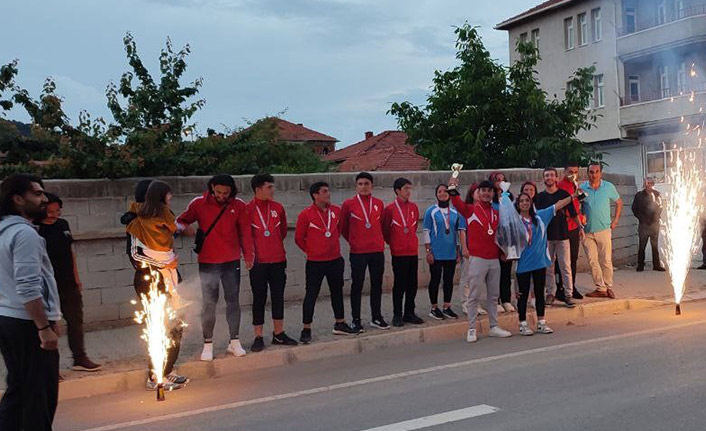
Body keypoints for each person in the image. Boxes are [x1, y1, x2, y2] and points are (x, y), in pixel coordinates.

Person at [0, 174, 60, 431]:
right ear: (17, 199)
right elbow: (28, 286)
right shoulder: (24, 235)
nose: (44, 199)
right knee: (39, 395)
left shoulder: (4, 231)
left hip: (8, 318)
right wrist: (43, 327)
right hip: (27, 324)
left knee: (19, 390)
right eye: (37, 194)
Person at [177, 175, 254, 361]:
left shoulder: (239, 205)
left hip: (231, 261)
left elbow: (245, 232)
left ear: (231, 191)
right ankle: (208, 344)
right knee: (209, 303)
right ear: (212, 188)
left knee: (233, 301)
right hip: (208, 262)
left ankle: (234, 341)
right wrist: (184, 228)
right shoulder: (199, 203)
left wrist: (249, 256)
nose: (221, 196)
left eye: (226, 193)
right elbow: (181, 221)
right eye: (218, 192)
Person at [126, 180, 189, 390]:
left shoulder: (164, 219)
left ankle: (167, 369)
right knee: (158, 328)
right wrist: (162, 263)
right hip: (150, 280)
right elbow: (135, 256)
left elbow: (174, 231)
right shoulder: (137, 223)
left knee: (177, 325)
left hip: (170, 276)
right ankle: (154, 375)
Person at [37, 192, 101, 372]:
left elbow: (70, 252)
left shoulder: (63, 225)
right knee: (49, 325)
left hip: (68, 282)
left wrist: (76, 277)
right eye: (50, 211)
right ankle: (50, 367)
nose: (53, 215)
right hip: (47, 285)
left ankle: (79, 358)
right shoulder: (35, 229)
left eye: (57, 211)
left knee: (75, 321)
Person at [449, 178, 512, 343]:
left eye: (489, 191)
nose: (486, 193)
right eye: (483, 190)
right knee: (474, 296)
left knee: (493, 296)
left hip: (494, 260)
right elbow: (456, 201)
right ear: (478, 193)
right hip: (477, 259)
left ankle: (494, 326)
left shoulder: (496, 212)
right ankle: (471, 328)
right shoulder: (470, 210)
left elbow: (501, 235)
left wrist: (504, 252)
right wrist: (452, 185)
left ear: (493, 194)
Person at [296, 182, 358, 344]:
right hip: (315, 262)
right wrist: (312, 251)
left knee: (337, 292)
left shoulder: (336, 211)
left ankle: (340, 323)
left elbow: (340, 230)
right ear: (315, 195)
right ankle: (306, 328)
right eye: (324, 191)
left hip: (335, 260)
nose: (328, 194)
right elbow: (298, 238)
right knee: (311, 294)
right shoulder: (306, 214)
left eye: (328, 191)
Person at [246, 174, 298, 352]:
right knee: (259, 299)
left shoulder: (278, 208)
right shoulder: (248, 210)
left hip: (277, 260)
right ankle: (258, 335)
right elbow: (244, 237)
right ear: (258, 189)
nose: (273, 190)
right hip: (258, 262)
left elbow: (282, 231)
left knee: (278, 297)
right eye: (269, 187)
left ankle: (279, 333)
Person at [514, 192, 575, 336]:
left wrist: (573, 197)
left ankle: (541, 322)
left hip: (539, 262)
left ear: (531, 202)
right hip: (523, 263)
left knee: (540, 294)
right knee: (522, 295)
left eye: (527, 200)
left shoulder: (540, 216)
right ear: (518, 204)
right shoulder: (514, 221)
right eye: (521, 201)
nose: (524, 203)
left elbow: (558, 205)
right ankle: (522, 323)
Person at [340, 172, 388, 332]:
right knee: (357, 285)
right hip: (358, 252)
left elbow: (381, 224)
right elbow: (344, 228)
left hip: (376, 250)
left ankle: (376, 316)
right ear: (356, 186)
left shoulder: (379, 204)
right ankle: (356, 319)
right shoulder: (348, 204)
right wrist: (354, 241)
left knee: (377, 284)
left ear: (372, 186)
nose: (363, 187)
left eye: (366, 183)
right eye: (360, 184)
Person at [534, 168, 583, 308]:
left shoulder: (564, 194)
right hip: (546, 237)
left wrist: (580, 227)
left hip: (562, 236)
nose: (549, 178)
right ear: (543, 179)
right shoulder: (540, 197)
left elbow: (573, 213)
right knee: (548, 267)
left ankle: (568, 294)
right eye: (546, 175)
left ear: (556, 178)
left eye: (551, 175)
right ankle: (550, 293)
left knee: (565, 266)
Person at [382, 178, 424, 327]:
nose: (409, 191)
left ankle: (409, 313)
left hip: (412, 251)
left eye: (410, 188)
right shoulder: (389, 209)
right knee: (400, 285)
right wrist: (394, 243)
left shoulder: (413, 207)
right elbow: (386, 231)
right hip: (399, 253)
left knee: (412, 284)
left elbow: (412, 229)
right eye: (406, 188)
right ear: (398, 190)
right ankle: (397, 315)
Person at [423, 184, 467, 320]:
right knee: (435, 279)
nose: (442, 193)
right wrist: (428, 251)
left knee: (448, 280)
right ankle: (434, 308)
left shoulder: (455, 213)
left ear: (449, 194)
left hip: (451, 252)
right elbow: (426, 232)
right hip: (436, 252)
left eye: (445, 191)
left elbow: (459, 233)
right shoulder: (431, 211)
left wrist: (458, 251)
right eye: (439, 191)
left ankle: (447, 306)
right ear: (436, 194)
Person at [580, 163, 623, 299]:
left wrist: (615, 220)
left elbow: (619, 202)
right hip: (587, 231)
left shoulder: (608, 187)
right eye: (591, 172)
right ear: (588, 173)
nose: (594, 175)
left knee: (606, 260)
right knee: (593, 261)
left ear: (601, 173)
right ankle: (600, 288)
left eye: (597, 172)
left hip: (604, 229)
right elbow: (577, 206)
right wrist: (581, 218)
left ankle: (609, 286)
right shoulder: (581, 188)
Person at [556, 162, 585, 299]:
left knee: (573, 258)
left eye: (575, 171)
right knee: (562, 260)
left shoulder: (576, 185)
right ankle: (560, 288)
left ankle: (572, 286)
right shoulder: (559, 186)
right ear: (564, 171)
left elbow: (579, 203)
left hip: (575, 227)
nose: (572, 174)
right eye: (570, 171)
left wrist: (581, 218)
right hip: (563, 226)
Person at [489, 172, 515, 313]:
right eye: (497, 180)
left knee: (506, 271)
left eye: (502, 180)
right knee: (495, 273)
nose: (499, 182)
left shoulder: (508, 197)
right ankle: (495, 300)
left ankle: (506, 299)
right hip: (493, 238)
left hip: (506, 238)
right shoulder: (489, 199)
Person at [458, 184, 486, 316]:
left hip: (482, 250)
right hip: (470, 249)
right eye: (477, 192)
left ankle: (476, 303)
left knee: (478, 279)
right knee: (467, 278)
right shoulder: (466, 210)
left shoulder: (485, 210)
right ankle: (465, 303)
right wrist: (464, 248)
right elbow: (462, 231)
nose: (480, 194)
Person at [631, 177, 665, 272]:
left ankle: (656, 265)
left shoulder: (657, 194)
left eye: (651, 183)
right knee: (642, 246)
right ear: (645, 184)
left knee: (655, 246)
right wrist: (641, 218)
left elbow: (660, 207)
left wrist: (657, 217)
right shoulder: (639, 195)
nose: (650, 185)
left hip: (654, 224)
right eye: (648, 183)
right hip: (644, 225)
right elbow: (634, 209)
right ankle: (640, 265)